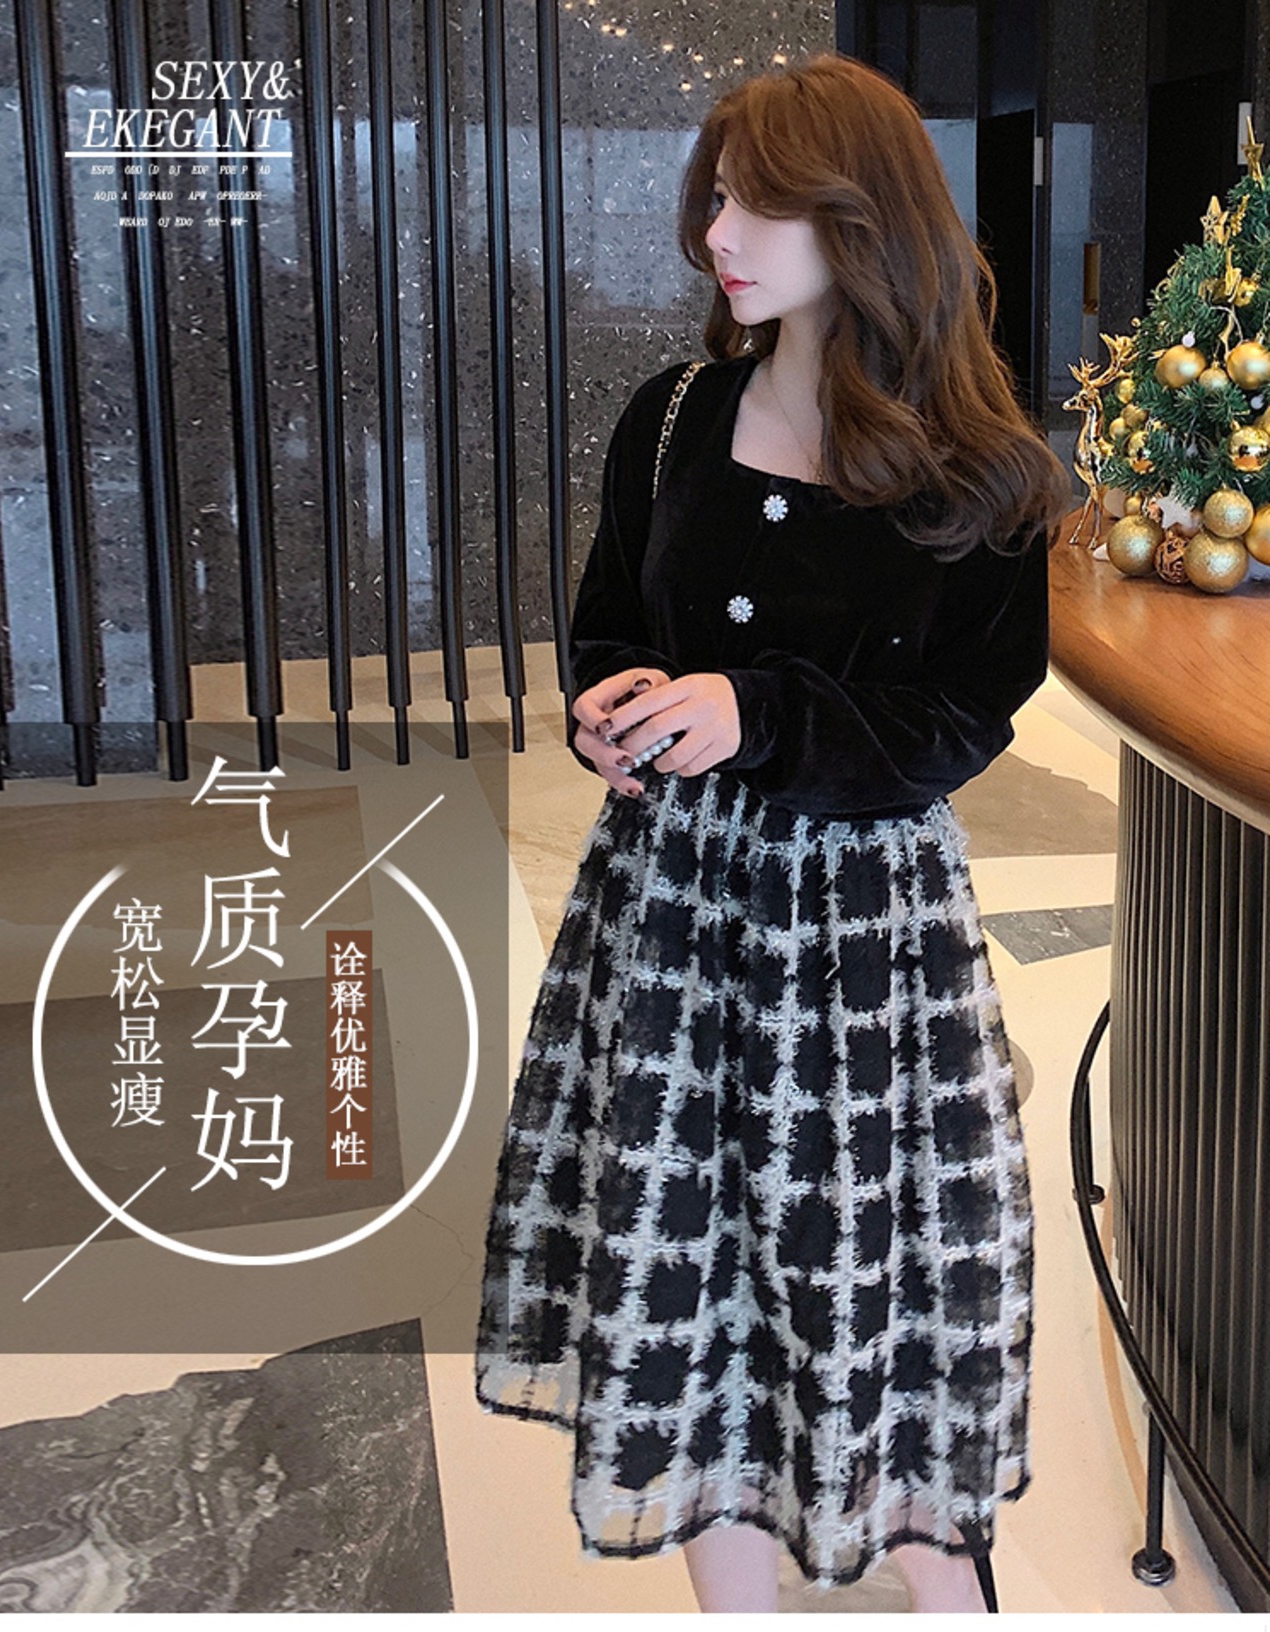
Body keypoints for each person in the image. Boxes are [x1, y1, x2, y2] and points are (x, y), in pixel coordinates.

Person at [475, 50, 1070, 1614]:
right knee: (690, 1302)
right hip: (672, 922)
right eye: (717, 198)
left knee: (888, 1302)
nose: (716, 234)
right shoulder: (673, 419)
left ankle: (944, 1587)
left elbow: (958, 724)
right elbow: (613, 619)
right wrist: (612, 703)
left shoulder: (981, 473)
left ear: (863, 222)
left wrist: (762, 714)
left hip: (865, 946)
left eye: (759, 203)